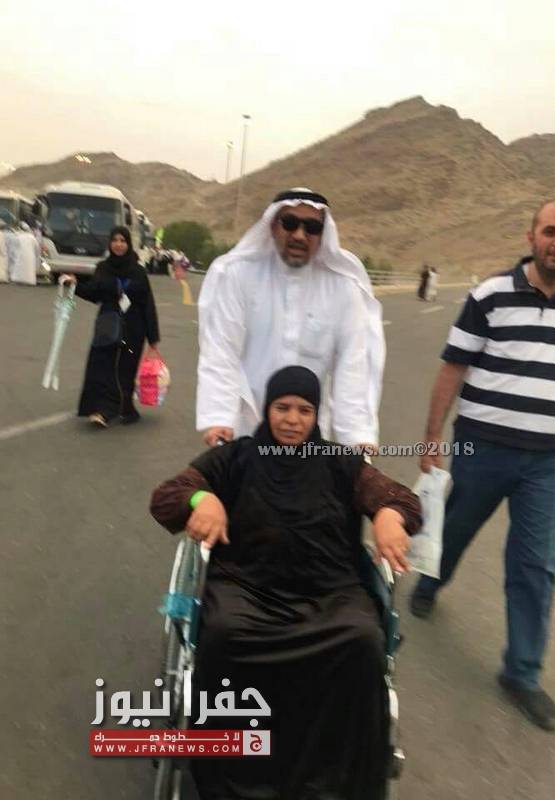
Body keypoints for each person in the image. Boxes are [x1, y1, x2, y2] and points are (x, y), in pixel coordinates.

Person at [151, 365, 422, 800]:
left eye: (304, 410)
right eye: (282, 408)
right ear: (267, 409)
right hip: (246, 585)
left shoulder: (340, 463)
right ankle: (231, 777)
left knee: (362, 640)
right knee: (224, 633)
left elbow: (397, 496)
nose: (292, 420)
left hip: (330, 590)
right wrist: (203, 499)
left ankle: (334, 779)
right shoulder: (237, 458)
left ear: (316, 415)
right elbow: (170, 493)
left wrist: (390, 516)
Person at [410, 199, 555, 731]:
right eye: (550, 231)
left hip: (551, 457)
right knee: (456, 527)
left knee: (536, 563)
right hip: (484, 446)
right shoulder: (490, 295)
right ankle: (430, 582)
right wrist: (432, 437)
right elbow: (453, 368)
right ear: (531, 236)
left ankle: (522, 673)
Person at [196, 187, 385, 449]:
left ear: (323, 234)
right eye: (290, 223)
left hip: (308, 435)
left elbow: (353, 368)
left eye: (311, 228)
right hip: (245, 428)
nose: (299, 235)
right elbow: (221, 352)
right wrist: (219, 417)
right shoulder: (238, 275)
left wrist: (356, 437)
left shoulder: (343, 288)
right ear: (273, 226)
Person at [62, 226, 160, 427]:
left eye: (122, 241)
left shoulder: (138, 272)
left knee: (126, 369)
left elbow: (147, 304)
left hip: (133, 329)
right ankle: (101, 410)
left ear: (128, 244)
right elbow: (94, 293)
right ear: (109, 243)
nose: (118, 244)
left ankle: (125, 408)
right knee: (101, 366)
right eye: (114, 240)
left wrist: (153, 339)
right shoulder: (103, 268)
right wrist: (74, 285)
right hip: (108, 325)